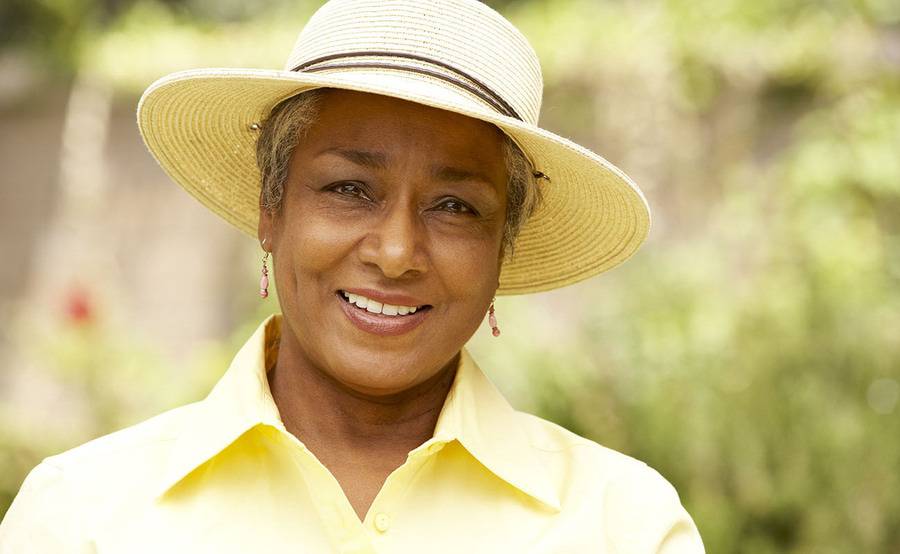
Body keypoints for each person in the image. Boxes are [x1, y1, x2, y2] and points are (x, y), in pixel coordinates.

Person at [0, 0, 704, 552]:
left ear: (501, 253)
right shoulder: (83, 518)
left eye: (455, 206)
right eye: (348, 189)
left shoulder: (623, 526)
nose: (396, 252)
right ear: (270, 211)